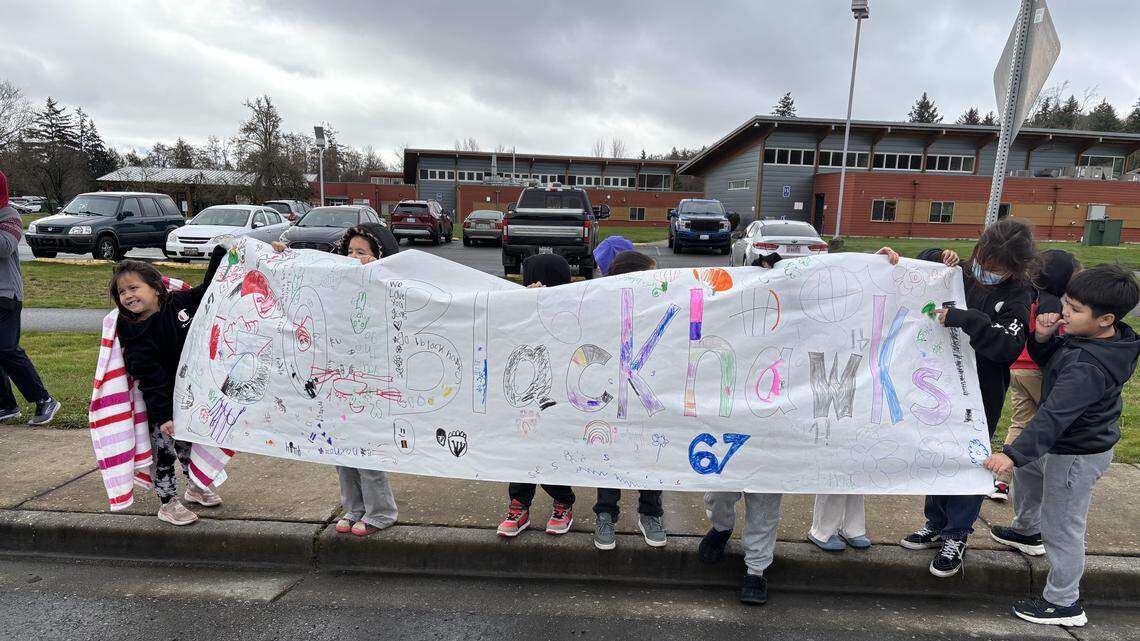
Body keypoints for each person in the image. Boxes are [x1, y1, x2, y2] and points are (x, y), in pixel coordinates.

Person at [985, 264, 1140, 627]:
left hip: (1075, 454)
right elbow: (1056, 364)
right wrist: (1042, 339)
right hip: (1063, 446)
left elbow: (1054, 414)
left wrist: (1011, 452)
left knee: (1064, 526)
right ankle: (1026, 531)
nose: (1064, 312)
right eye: (1067, 303)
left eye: (1075, 309)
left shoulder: (1089, 365)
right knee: (1029, 475)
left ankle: (1064, 603)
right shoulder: (1095, 339)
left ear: (1106, 319)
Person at [886, 218, 1036, 578]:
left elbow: (1007, 344)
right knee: (937, 451)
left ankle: (957, 534)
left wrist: (966, 319)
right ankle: (935, 522)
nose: (986, 272)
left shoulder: (1018, 294)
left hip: (981, 391)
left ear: (1014, 269)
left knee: (970, 460)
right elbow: (921, 272)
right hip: (940, 384)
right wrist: (935, 255)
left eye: (997, 269)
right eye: (984, 260)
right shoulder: (965, 270)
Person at [277, 224, 401, 536]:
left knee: (367, 451)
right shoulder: (336, 286)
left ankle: (381, 511)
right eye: (349, 252)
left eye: (363, 253)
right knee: (341, 450)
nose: (354, 258)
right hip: (336, 381)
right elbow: (306, 275)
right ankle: (354, 507)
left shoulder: (391, 286)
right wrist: (283, 257)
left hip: (371, 383)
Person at [111, 245, 229, 526]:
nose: (128, 296)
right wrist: (163, 416)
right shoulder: (134, 332)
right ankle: (167, 503)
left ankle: (196, 486)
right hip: (161, 405)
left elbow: (209, 288)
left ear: (155, 287)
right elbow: (149, 377)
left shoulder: (178, 304)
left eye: (133, 288)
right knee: (164, 454)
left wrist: (221, 252)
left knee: (192, 446)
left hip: (190, 396)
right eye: (122, 292)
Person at [699, 249, 786, 604]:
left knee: (764, 504)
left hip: (774, 433)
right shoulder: (728, 319)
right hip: (729, 426)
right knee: (719, 492)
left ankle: (756, 569)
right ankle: (721, 528)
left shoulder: (795, 325)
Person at [497, 253, 577, 538]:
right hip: (522, 401)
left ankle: (563, 500)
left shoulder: (573, 312)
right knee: (521, 452)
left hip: (558, 403)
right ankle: (519, 505)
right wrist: (524, 305)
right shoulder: (517, 312)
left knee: (551, 453)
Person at [592, 249, 667, 550]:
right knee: (610, 456)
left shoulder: (660, 307)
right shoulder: (601, 308)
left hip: (649, 399)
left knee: (653, 455)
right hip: (613, 399)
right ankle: (606, 514)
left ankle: (650, 513)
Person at [992, 250, 1079, 501]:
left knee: (1019, 423)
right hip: (1038, 371)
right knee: (1049, 424)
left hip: (1016, 368)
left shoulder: (1025, 293)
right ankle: (1042, 479)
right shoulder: (1055, 304)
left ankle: (1001, 481)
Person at [0, 170, 61, 426]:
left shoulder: (9, 215)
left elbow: (4, 247)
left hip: (6, 294)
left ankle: (44, 399)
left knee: (6, 348)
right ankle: (5, 405)